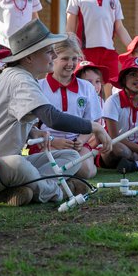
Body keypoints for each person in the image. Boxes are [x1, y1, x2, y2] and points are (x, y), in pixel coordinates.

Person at [0, 19, 112, 207]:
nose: (54, 55)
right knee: (19, 164)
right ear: (29, 57)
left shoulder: (18, 76)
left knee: (71, 157)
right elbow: (52, 118)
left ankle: (20, 191)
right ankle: (61, 190)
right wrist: (95, 127)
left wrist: (34, 132)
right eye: (49, 51)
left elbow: (11, 118)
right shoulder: (20, 79)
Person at [37, 34, 103, 178]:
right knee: (52, 170)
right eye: (65, 58)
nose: (70, 63)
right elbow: (32, 126)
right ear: (53, 58)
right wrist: (54, 141)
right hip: (48, 143)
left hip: (77, 143)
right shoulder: (39, 87)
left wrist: (80, 141)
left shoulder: (86, 87)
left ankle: (71, 177)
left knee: (87, 171)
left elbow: (93, 123)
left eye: (74, 59)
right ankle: (68, 180)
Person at [65, 0, 132, 95]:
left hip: (108, 52)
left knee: (111, 91)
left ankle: (107, 117)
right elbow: (70, 29)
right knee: (85, 90)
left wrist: (132, 49)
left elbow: (119, 27)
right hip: (85, 52)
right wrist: (73, 52)